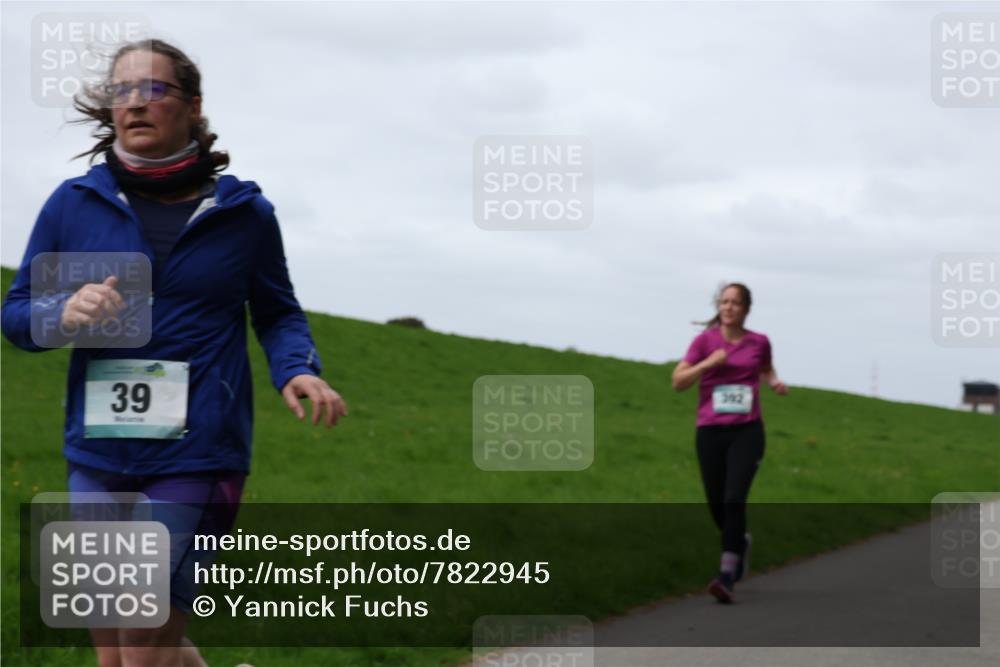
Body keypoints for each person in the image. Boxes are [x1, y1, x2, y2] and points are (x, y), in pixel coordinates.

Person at [1, 39, 347, 666]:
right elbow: (17, 316)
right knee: (114, 650)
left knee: (140, 635)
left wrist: (296, 369)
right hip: (98, 450)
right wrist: (61, 313)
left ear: (192, 106)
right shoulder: (72, 205)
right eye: (122, 90)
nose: (135, 102)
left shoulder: (244, 213)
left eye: (153, 88)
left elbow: (277, 310)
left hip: (199, 449)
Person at [671, 283, 787, 603]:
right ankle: (739, 543)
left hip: (747, 431)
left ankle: (726, 575)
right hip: (709, 431)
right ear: (719, 307)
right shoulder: (704, 342)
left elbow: (764, 367)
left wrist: (774, 381)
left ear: (746, 309)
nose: (729, 307)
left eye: (736, 303)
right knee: (716, 503)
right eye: (724, 302)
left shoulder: (759, 342)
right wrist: (708, 364)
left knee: (734, 498)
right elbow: (678, 381)